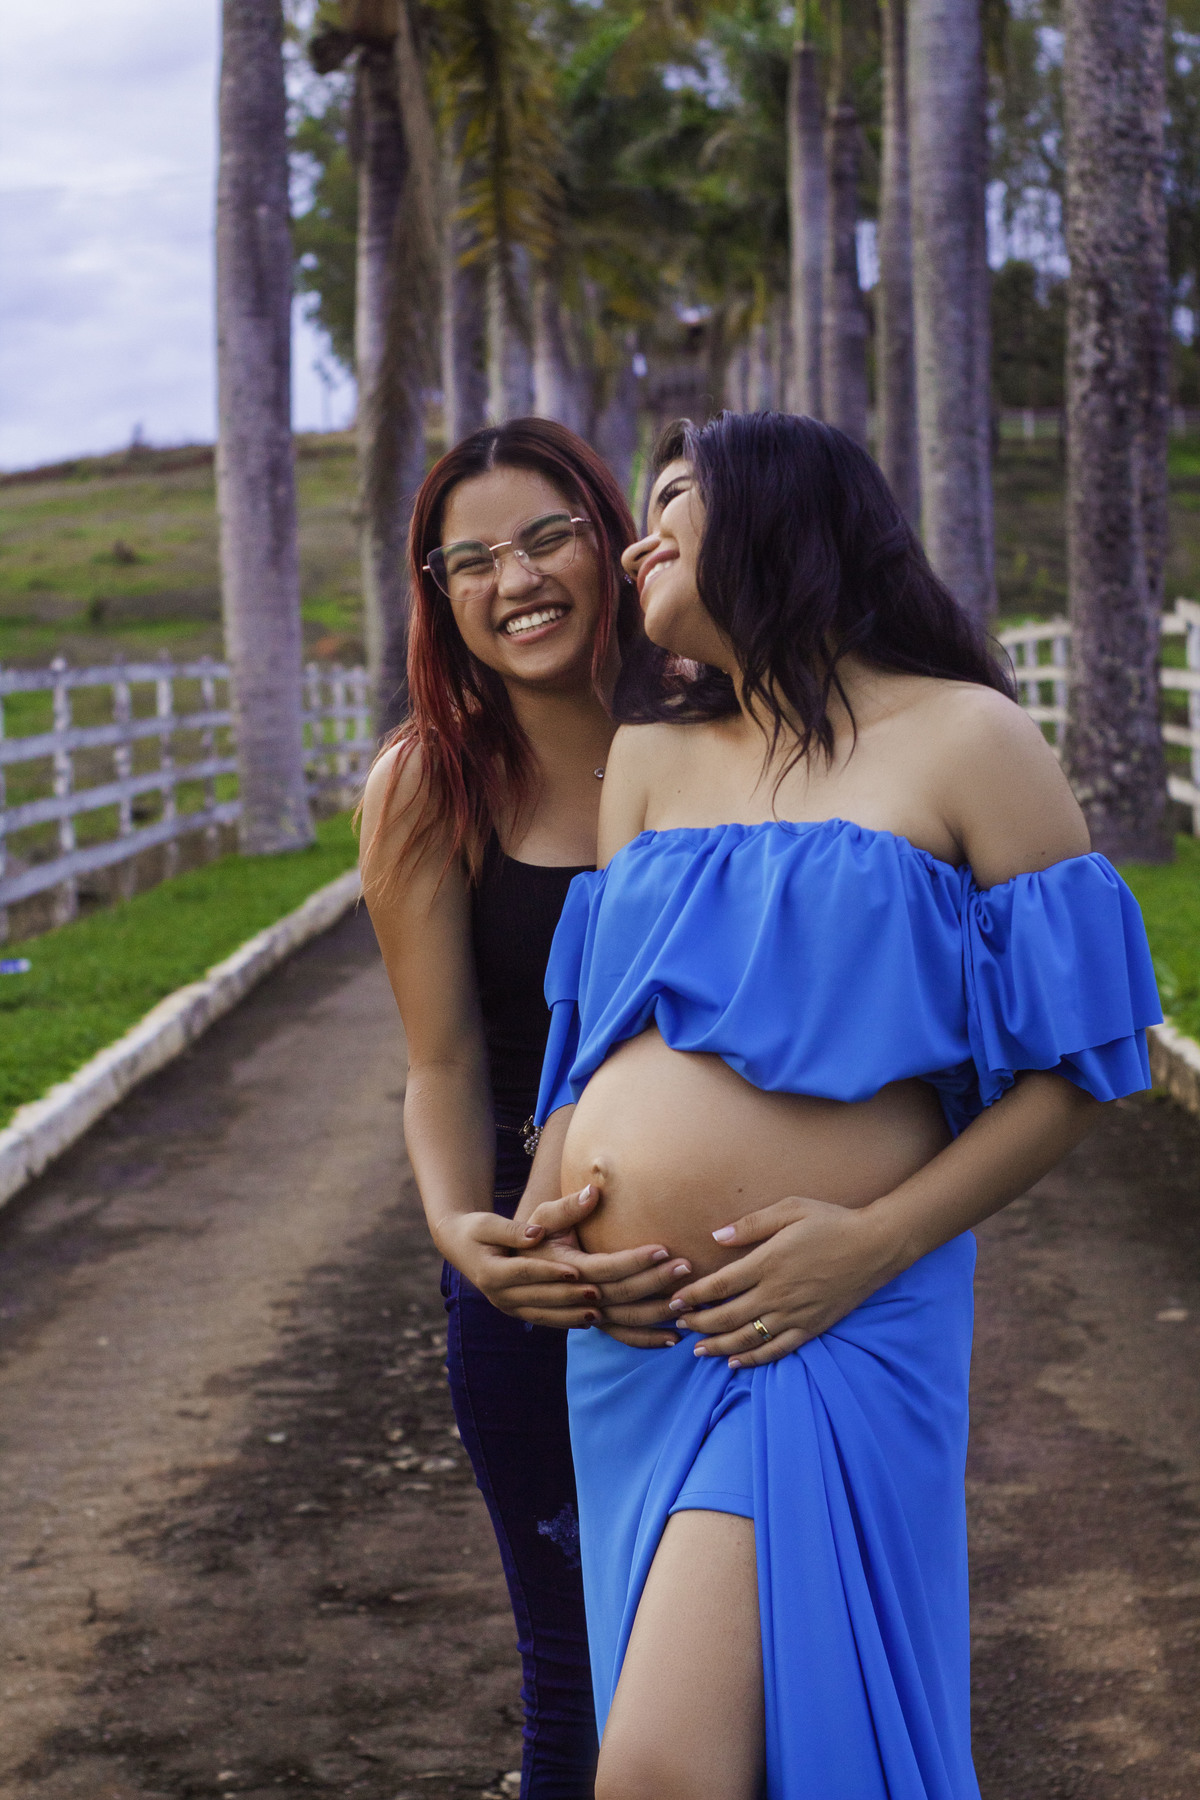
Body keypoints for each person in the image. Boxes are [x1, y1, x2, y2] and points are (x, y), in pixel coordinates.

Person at [517, 411, 1162, 1800]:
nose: (641, 535)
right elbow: (588, 1054)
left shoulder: (968, 738)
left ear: (783, 510)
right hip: (634, 1349)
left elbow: (1091, 1064)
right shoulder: (647, 757)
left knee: (659, 1773)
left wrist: (871, 1247)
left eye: (676, 495)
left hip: (834, 1319)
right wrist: (547, 1223)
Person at [358, 419, 684, 1800]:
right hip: (538, 1282)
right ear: (440, 594)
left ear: (610, 538)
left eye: (545, 536)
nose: (517, 579)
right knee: (578, 1655)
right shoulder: (430, 785)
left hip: (741, 1279)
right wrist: (462, 1234)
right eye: (470, 559)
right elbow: (440, 1066)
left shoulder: (722, 717)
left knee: (765, 1639)